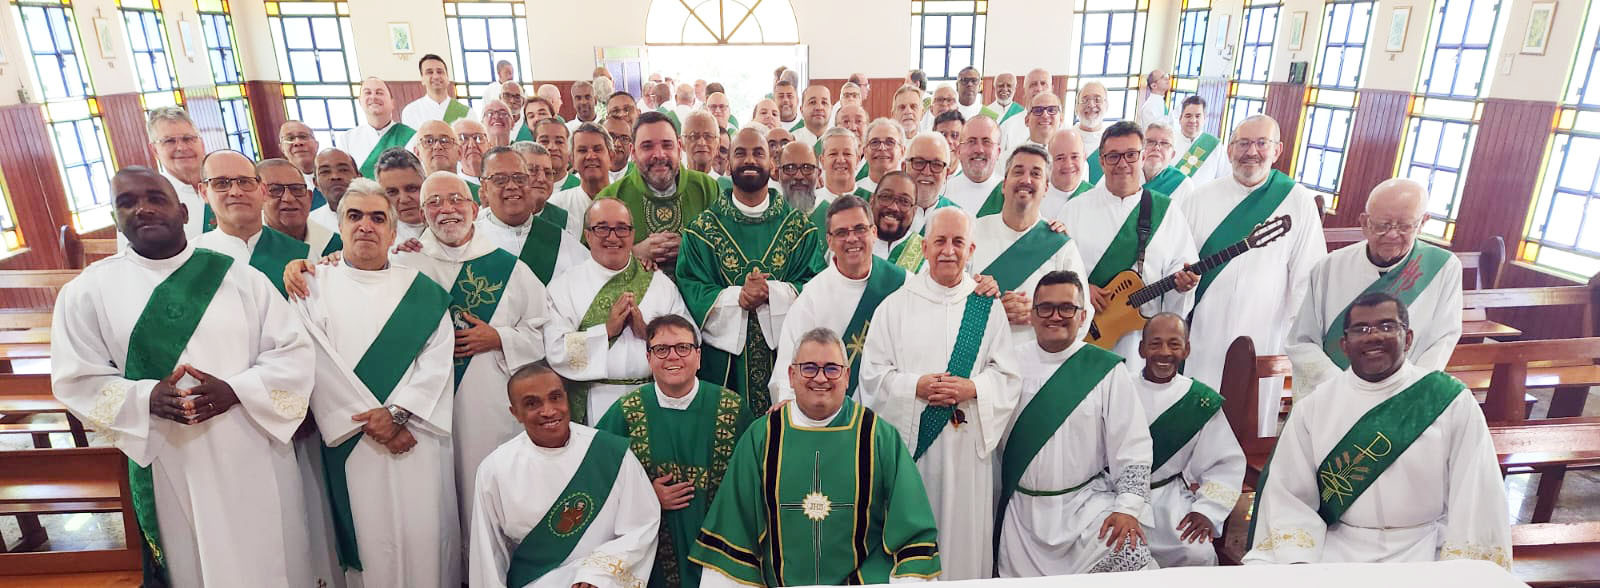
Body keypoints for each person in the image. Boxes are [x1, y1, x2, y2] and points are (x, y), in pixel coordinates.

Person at [51, 166, 316, 587]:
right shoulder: (87, 292)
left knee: (266, 558)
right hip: (167, 457)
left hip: (250, 445)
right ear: (115, 216)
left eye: (156, 198)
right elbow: (75, 378)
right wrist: (143, 399)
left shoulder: (241, 278)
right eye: (127, 202)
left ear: (186, 212)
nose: (142, 209)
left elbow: (293, 353)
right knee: (192, 564)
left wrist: (237, 390)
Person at [1244, 293, 1511, 568]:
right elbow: (1289, 494)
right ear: (1345, 345)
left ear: (1408, 338)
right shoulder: (1314, 408)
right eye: (1361, 329)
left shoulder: (1449, 401)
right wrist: (1300, 561)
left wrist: (1460, 566)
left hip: (1425, 547)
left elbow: (1475, 490)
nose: (1373, 337)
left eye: (1386, 326)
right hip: (1339, 546)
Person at [294, 179, 459, 587]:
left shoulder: (423, 292)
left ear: (391, 232)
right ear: (340, 225)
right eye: (354, 216)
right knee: (365, 543)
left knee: (424, 535)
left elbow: (437, 362)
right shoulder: (311, 288)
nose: (365, 225)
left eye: (377, 218)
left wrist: (401, 415)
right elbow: (313, 362)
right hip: (350, 441)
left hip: (415, 437)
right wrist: (378, 422)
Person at [690, 328, 944, 586]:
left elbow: (912, 531)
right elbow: (735, 528)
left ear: (846, 376)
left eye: (832, 369)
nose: (821, 378)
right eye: (809, 368)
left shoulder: (878, 436)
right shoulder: (763, 437)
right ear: (791, 375)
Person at [860, 207, 1022, 580]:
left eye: (958, 242)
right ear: (924, 246)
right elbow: (871, 377)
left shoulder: (987, 307)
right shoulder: (895, 307)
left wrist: (973, 388)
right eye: (940, 241)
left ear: (971, 249)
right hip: (914, 452)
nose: (949, 250)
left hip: (968, 457)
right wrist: (913, 386)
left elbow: (1008, 376)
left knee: (964, 547)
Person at [399, 171, 554, 543]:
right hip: (424, 410)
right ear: (422, 213)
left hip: (489, 407)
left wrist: (498, 337)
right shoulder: (404, 266)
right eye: (434, 202)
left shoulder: (510, 268)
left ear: (474, 206)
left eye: (455, 199)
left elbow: (544, 332)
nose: (446, 209)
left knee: (489, 502)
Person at [995, 270, 1154, 576]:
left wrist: (1127, 507)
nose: (1056, 316)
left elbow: (1132, 445)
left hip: (1085, 508)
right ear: (1032, 315)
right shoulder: (1007, 365)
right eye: (1045, 307)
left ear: (1083, 316)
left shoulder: (1104, 370)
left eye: (1067, 308)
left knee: (1132, 560)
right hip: (1021, 517)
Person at [1182, 115, 1327, 437]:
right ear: (1230, 149)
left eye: (1262, 143)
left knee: (1248, 420)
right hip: (1205, 330)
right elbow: (1178, 264)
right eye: (1244, 143)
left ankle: (1243, 476)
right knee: (1196, 416)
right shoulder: (1200, 199)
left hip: (1264, 332)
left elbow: (1308, 277)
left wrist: (1298, 340)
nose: (1252, 152)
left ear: (1277, 150)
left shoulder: (1298, 202)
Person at [468, 362, 661, 588]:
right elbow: (489, 554)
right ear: (515, 413)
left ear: (566, 398)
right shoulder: (495, 469)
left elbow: (641, 525)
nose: (548, 410)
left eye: (555, 397)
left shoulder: (609, 452)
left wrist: (595, 575)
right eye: (532, 403)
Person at [594, 315, 753, 588]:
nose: (672, 357)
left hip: (721, 548)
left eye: (683, 348)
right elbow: (599, 480)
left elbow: (754, 479)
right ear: (649, 357)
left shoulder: (732, 408)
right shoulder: (626, 412)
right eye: (661, 349)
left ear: (699, 356)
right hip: (653, 555)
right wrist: (646, 498)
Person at [677, 127, 826, 414]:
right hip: (723, 369)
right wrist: (737, 298)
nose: (749, 160)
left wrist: (773, 292)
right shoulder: (701, 230)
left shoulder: (800, 228)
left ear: (772, 164)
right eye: (740, 153)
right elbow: (690, 286)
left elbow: (817, 285)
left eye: (758, 153)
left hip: (785, 360)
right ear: (729, 163)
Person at [1288, 178, 1462, 395]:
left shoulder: (1443, 267)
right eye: (1382, 225)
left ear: (1423, 222)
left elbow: (1442, 340)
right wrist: (1342, 386)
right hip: (1332, 393)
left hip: (1401, 398)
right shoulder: (1329, 267)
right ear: (1364, 222)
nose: (1392, 234)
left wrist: (1406, 391)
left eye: (1405, 226)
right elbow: (1302, 340)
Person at [544, 199, 692, 424]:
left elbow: (690, 341)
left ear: (632, 234)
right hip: (594, 402)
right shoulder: (564, 287)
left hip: (655, 398)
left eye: (622, 228)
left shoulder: (660, 284)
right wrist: (606, 331)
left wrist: (649, 333)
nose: (613, 237)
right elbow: (556, 351)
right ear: (588, 234)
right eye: (602, 228)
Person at [1062, 121, 1198, 363]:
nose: (1122, 163)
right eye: (1113, 156)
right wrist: (1081, 289)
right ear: (1101, 161)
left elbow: (1182, 267)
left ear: (1143, 156)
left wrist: (1184, 286)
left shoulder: (1166, 212)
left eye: (1131, 155)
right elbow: (1058, 269)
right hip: (1087, 334)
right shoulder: (1075, 209)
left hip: (1141, 340)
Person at [1132, 313, 1244, 567]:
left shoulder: (1199, 400)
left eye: (1174, 344)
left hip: (1167, 498)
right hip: (1117, 496)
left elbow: (1225, 463)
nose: (1164, 352)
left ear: (1187, 349)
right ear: (1141, 348)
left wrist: (1206, 510)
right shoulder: (1119, 389)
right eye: (1155, 343)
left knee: (1197, 553)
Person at [771, 195, 906, 404]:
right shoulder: (812, 297)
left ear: (874, 233)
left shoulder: (903, 284)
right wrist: (788, 407)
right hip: (832, 417)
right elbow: (789, 367)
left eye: (860, 229)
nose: (852, 239)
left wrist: (976, 284)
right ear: (830, 241)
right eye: (842, 232)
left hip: (887, 412)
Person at [971, 144, 1090, 344]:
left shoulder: (1060, 245)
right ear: (1004, 183)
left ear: (1046, 188)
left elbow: (1083, 317)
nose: (1026, 180)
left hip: (1038, 363)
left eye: (1036, 174)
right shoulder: (971, 233)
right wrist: (991, 311)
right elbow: (947, 299)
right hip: (978, 357)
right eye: (1018, 172)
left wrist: (1040, 314)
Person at [595, 111, 722, 274]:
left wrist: (688, 248)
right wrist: (632, 253)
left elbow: (728, 250)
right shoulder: (610, 198)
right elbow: (591, 262)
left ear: (679, 147)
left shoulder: (706, 188)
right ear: (633, 152)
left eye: (667, 145)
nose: (659, 155)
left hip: (697, 297)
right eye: (647, 146)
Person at [191, 151, 309, 297]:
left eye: (245, 181)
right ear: (204, 193)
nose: (235, 192)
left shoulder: (302, 254)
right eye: (221, 183)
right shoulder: (190, 258)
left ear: (263, 190)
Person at [473, 146, 588, 283]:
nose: (512, 186)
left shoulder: (561, 240)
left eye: (519, 178)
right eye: (500, 179)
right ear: (484, 187)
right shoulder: (470, 239)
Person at [145, 107, 209, 238]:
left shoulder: (226, 183)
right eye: (169, 141)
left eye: (188, 138)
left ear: (201, 144)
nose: (181, 147)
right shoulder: (146, 200)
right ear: (155, 150)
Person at [259, 157, 340, 259]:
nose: (289, 198)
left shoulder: (335, 246)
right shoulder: (248, 246)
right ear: (258, 197)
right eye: (275, 190)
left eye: (296, 189)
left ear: (310, 197)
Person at [341, 78, 416, 178]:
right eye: (367, 93)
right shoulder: (347, 139)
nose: (373, 97)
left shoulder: (411, 136)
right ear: (360, 102)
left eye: (379, 93)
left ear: (392, 102)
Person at [548, 123, 613, 224]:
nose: (590, 156)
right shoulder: (557, 206)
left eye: (597, 149)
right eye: (582, 150)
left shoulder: (628, 199)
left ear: (611, 156)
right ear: (572, 160)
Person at [945, 115, 1004, 212]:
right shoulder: (943, 193)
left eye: (986, 142)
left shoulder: (1009, 193)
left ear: (998, 152)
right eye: (971, 141)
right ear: (959, 151)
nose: (979, 149)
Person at [869, 172, 925, 272]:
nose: (893, 207)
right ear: (872, 201)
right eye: (886, 197)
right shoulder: (851, 241)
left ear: (914, 211)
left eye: (904, 201)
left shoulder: (926, 254)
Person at [373, 148, 430, 244]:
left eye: (411, 188)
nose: (404, 200)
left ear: (426, 184)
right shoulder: (377, 240)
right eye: (392, 192)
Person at [402, 54, 470, 128]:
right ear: (422, 80)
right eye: (429, 72)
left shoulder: (467, 113)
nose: (436, 76)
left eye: (440, 72)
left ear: (447, 78)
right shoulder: (411, 111)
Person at [816, 127, 872, 215]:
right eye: (833, 154)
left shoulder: (872, 201)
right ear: (822, 161)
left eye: (847, 154)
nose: (841, 160)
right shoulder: (812, 203)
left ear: (857, 160)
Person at [1172, 96, 1228, 184]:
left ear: (1204, 118)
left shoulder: (1215, 145)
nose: (1193, 120)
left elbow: (1223, 178)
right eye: (1188, 116)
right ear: (1180, 118)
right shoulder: (1169, 141)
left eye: (1198, 116)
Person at [1141, 121, 1199, 204]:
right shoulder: (1127, 175)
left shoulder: (1182, 184)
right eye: (1150, 142)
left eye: (1164, 143)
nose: (1156, 147)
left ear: (1172, 154)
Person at [308, 149, 359, 235]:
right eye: (325, 172)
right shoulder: (309, 224)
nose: (335, 176)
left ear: (359, 177)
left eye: (343, 170)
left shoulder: (382, 214)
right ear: (316, 183)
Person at [1002, 68, 1054, 149]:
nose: (1039, 89)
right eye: (1033, 84)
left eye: (1043, 83)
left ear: (1052, 89)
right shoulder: (1008, 127)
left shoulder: (1064, 128)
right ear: (1025, 90)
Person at [278, 120, 324, 208]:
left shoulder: (335, 177)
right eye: (290, 138)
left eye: (303, 136)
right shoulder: (278, 186)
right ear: (282, 148)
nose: (298, 143)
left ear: (316, 144)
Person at [1074, 82, 1111, 184]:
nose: (1091, 105)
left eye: (1097, 100)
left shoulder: (1113, 141)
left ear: (1106, 106)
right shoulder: (1066, 139)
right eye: (1084, 100)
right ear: (1076, 108)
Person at [776, 140, 822, 220]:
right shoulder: (770, 217)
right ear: (778, 175)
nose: (799, 176)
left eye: (807, 168)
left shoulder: (832, 214)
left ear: (818, 174)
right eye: (790, 168)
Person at [532, 117, 581, 192]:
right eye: (544, 141)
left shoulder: (580, 189)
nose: (552, 147)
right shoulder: (524, 189)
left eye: (559, 142)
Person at [792, 84, 832, 150]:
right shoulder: (792, 140)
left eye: (824, 102)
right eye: (812, 102)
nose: (819, 107)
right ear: (801, 110)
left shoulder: (839, 139)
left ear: (831, 108)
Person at [682, 110, 721, 177]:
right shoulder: (674, 184)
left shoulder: (723, 186)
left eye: (708, 136)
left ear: (718, 144)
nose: (701, 143)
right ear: (682, 143)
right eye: (694, 136)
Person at [455, 118, 491, 187]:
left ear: (489, 146)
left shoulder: (504, 182)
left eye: (478, 138)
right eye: (463, 138)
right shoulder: (451, 187)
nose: (472, 145)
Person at [932, 110, 966, 177]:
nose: (948, 141)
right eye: (943, 135)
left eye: (955, 135)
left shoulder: (970, 178)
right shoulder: (923, 174)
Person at [604, 116, 636, 182]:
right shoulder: (583, 179)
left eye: (624, 139)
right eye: (611, 137)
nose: (617, 144)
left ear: (631, 146)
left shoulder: (642, 177)